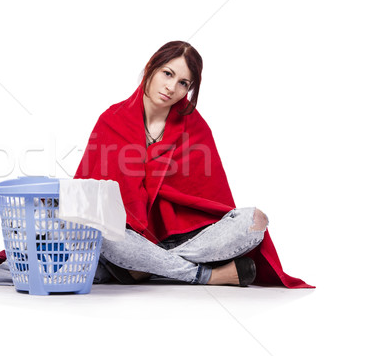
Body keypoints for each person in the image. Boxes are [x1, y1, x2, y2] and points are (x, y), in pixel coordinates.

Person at [73, 40, 312, 288]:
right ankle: (207, 276)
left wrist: (144, 259)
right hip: (129, 238)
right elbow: (86, 198)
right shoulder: (112, 120)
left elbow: (212, 199)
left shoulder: (195, 126)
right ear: (150, 68)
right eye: (167, 73)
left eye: (183, 83)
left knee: (253, 221)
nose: (171, 88)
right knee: (101, 233)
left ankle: (143, 269)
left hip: (187, 241)